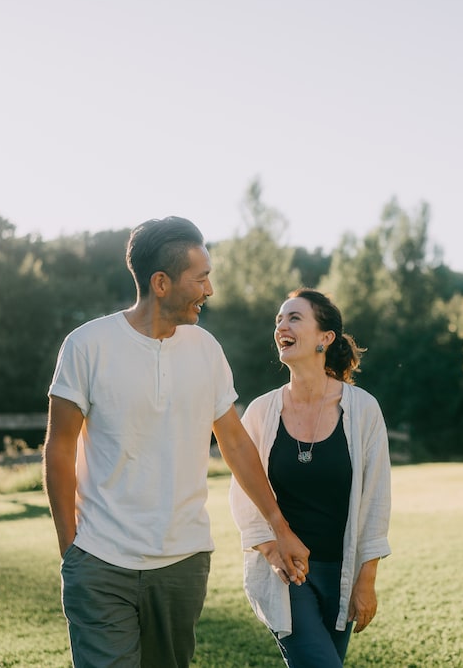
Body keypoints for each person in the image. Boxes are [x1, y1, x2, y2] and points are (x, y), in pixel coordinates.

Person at [43, 216, 310, 668]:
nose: (210, 290)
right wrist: (72, 549)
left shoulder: (206, 349)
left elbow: (236, 444)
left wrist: (279, 529)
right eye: (201, 278)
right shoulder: (87, 345)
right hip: (101, 561)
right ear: (161, 283)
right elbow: (60, 447)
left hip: (182, 562)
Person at [229, 288, 392, 668]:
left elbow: (376, 499)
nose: (281, 326)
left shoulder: (363, 410)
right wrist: (272, 550)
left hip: (342, 572)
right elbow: (242, 489)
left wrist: (365, 580)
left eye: (294, 318)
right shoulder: (261, 411)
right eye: (279, 320)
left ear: (325, 337)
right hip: (287, 574)